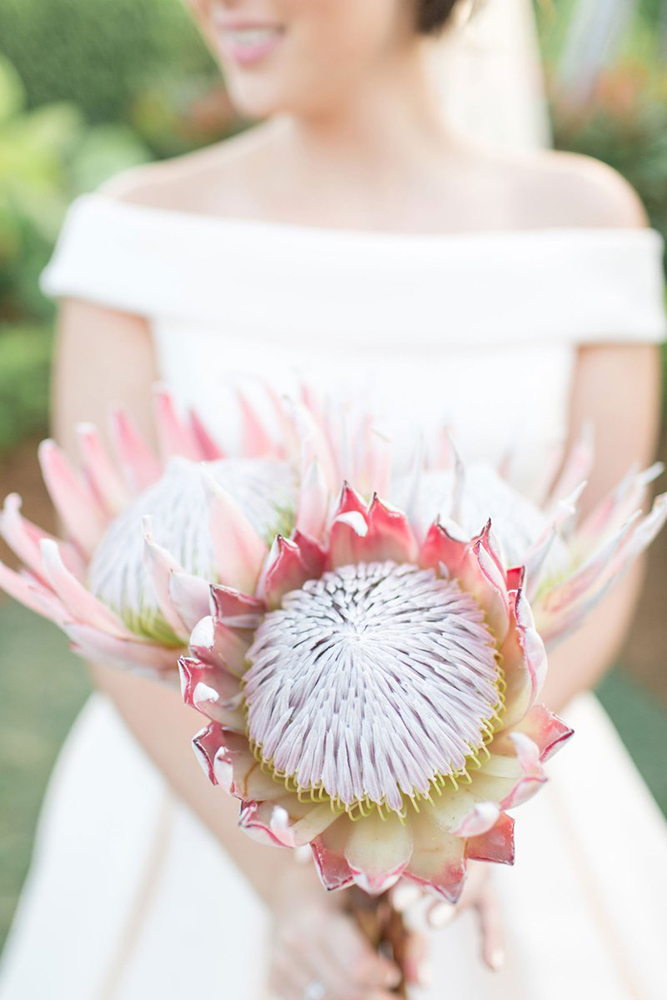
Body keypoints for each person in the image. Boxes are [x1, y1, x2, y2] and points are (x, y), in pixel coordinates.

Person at [1, 1, 666, 997]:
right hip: (192, 816)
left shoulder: (581, 225)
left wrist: (460, 800)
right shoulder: (134, 234)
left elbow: (602, 575)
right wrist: (285, 879)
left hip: (514, 800)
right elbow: (111, 601)